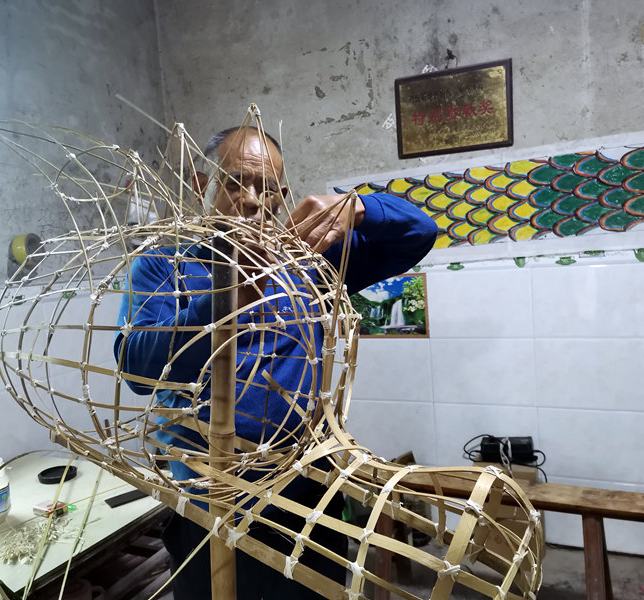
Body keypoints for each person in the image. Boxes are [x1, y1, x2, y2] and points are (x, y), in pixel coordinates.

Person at [114, 126, 437, 599]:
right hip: (209, 503)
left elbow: (419, 233)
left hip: (307, 499)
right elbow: (136, 369)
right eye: (234, 182)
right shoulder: (165, 264)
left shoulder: (311, 262)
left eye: (267, 188)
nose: (251, 200)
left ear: (283, 196)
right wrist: (224, 302)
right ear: (204, 187)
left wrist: (359, 207)